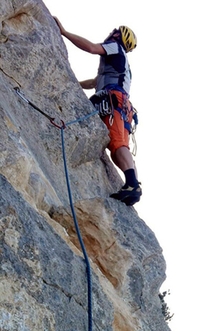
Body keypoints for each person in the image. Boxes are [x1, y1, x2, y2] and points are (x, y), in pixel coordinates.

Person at [54, 18, 141, 207]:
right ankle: (131, 183)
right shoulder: (121, 64)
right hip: (121, 105)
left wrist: (64, 32)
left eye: (115, 32)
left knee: (118, 144)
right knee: (116, 147)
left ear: (119, 36)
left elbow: (92, 48)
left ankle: (133, 184)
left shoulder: (114, 47)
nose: (112, 33)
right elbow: (95, 82)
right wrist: (74, 85)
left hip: (114, 102)